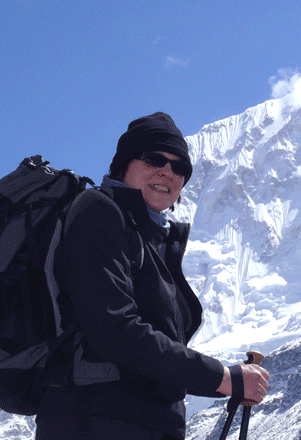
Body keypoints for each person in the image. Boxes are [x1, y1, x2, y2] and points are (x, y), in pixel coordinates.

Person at [35, 112, 270, 440]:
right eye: (154, 158)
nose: (167, 171)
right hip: (95, 422)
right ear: (124, 165)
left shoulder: (148, 238)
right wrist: (221, 377)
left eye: (180, 167)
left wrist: (226, 381)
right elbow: (114, 330)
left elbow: (150, 363)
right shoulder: (98, 212)